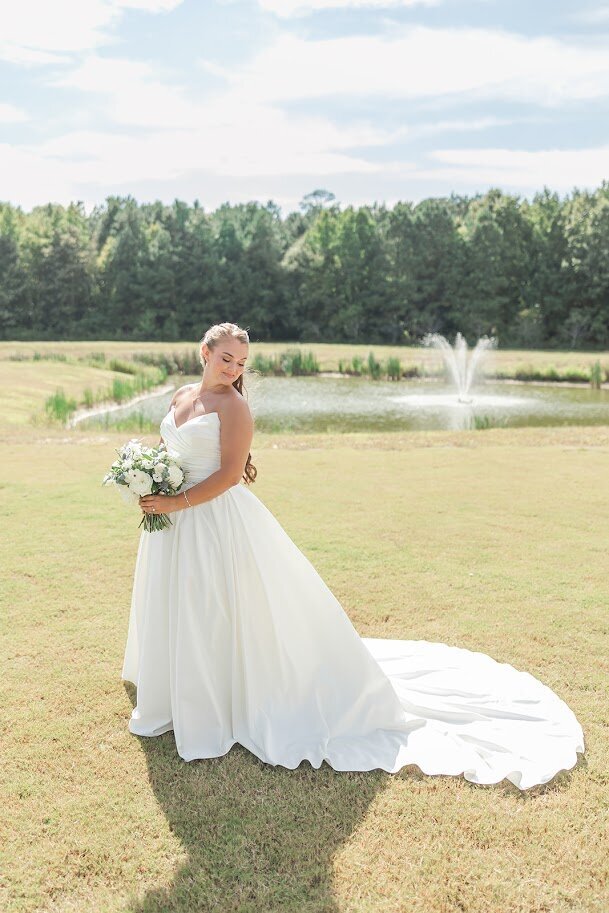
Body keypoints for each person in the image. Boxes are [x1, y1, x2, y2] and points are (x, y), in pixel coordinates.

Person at [122, 322, 584, 789]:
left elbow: (229, 476)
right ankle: (179, 688)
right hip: (173, 521)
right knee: (180, 601)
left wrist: (176, 502)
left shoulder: (235, 407)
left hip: (214, 522)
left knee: (217, 608)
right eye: (226, 359)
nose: (234, 368)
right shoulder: (181, 395)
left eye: (241, 363)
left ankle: (220, 699)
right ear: (205, 352)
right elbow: (169, 452)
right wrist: (149, 479)